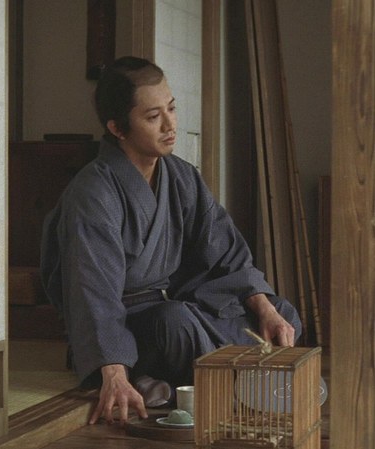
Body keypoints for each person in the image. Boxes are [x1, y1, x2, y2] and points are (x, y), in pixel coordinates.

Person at [39, 56, 302, 425]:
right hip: (130, 322)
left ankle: (174, 381)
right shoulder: (93, 193)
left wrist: (265, 309)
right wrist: (113, 375)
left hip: (182, 304)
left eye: (172, 109)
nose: (170, 125)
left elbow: (226, 253)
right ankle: (142, 374)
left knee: (282, 312)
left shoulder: (181, 177)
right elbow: (92, 293)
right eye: (153, 117)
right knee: (175, 322)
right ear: (117, 128)